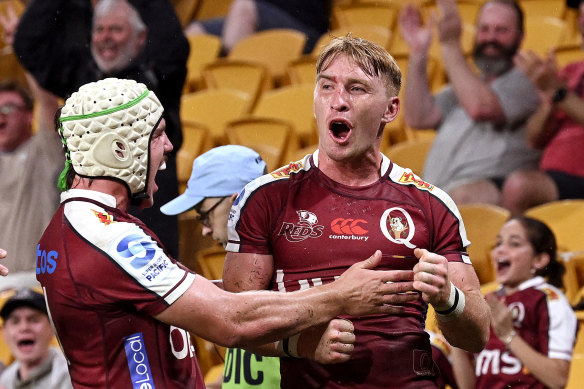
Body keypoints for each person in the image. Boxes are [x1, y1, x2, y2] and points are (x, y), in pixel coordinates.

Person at [36, 76, 420, 388]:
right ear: (118, 149)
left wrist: (299, 334)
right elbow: (229, 320)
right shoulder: (105, 235)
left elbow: (208, 301)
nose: (169, 146)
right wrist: (339, 295)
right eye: (157, 135)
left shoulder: (79, 227)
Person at [223, 35, 490, 388]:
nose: (338, 102)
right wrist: (303, 344)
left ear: (390, 110)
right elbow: (234, 321)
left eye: (357, 89)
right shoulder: (266, 198)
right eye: (326, 87)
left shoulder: (430, 204)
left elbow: (477, 335)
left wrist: (447, 298)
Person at [12, 0, 189, 258]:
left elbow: (170, 36)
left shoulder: (160, 71)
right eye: (99, 30)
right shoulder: (82, 77)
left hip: (150, 198)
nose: (105, 38)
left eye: (116, 29)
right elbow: (29, 45)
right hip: (91, 208)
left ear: (140, 37)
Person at [160, 145, 281, 388]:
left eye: (204, 214)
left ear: (237, 203)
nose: (204, 230)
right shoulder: (245, 271)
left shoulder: (295, 272)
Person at [399, 0, 541, 206]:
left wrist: (449, 44)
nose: (491, 38)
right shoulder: (469, 82)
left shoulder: (529, 81)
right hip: (435, 198)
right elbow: (418, 117)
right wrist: (418, 53)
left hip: (479, 204)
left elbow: (481, 108)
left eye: (501, 30)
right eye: (484, 29)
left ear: (521, 37)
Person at [450, 216, 578, 389]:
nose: (499, 251)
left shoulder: (548, 300)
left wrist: (508, 335)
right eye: (498, 244)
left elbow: (558, 379)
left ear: (539, 260)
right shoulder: (486, 301)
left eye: (514, 244)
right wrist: (455, 339)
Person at [499, 0, 584, 215]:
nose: (582, 24)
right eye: (581, 17)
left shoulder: (560, 84)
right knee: (473, 193)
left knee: (519, 187)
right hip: (551, 175)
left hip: (577, 177)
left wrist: (558, 92)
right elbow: (533, 138)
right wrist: (548, 102)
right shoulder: (571, 71)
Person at [0, 78, 61, 290]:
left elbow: (48, 104)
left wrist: (27, 48)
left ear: (30, 115)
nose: (1, 115)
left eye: (9, 108)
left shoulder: (45, 151)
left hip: (36, 284)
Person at [185, 0, 331, 54]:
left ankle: (233, 75)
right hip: (261, 15)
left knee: (243, 8)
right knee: (195, 31)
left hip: (302, 24)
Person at [0, 288, 72, 389]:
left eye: (34, 319)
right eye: (15, 321)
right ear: (4, 333)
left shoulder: (71, 378)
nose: (24, 328)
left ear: (52, 328)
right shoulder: (6, 378)